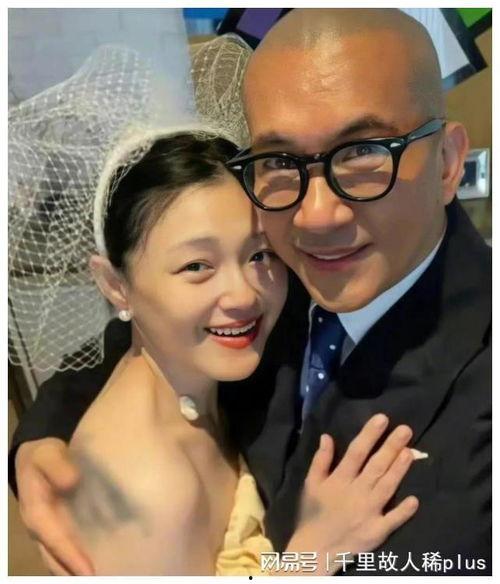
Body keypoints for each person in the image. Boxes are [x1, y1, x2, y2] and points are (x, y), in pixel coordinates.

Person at [10, 8, 491, 576]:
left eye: (364, 151)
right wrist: (38, 440)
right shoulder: (282, 277)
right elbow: (140, 335)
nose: (316, 216)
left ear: (448, 163)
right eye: (281, 160)